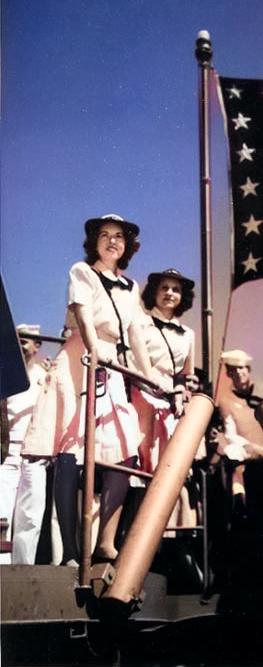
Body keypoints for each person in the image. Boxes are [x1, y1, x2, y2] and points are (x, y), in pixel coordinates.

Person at [22, 214, 154, 566]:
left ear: (127, 246)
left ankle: (105, 542)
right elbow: (82, 315)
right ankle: (69, 548)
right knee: (72, 447)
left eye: (119, 237)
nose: (112, 241)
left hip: (112, 364)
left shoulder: (130, 287)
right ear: (94, 242)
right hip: (82, 358)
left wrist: (152, 377)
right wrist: (95, 355)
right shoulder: (82, 272)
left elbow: (137, 334)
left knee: (125, 450)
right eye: (105, 235)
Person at [132, 269, 197, 475]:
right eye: (164, 288)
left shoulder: (188, 335)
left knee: (167, 462)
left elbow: (183, 375)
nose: (170, 293)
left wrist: (179, 396)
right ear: (154, 292)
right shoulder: (140, 323)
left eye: (176, 290)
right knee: (141, 456)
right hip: (141, 393)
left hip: (171, 403)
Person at [216, 350, 263, 514]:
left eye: (242, 368)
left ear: (248, 370)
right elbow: (230, 433)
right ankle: (238, 499)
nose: (239, 373)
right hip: (247, 452)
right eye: (233, 369)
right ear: (228, 373)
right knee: (232, 455)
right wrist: (252, 447)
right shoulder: (226, 401)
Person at [0, 325, 46, 562]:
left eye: (26, 341)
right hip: (6, 453)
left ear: (37, 346)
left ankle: (23, 567)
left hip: (34, 453)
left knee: (30, 515)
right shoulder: (4, 373)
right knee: (1, 512)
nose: (21, 346)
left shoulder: (45, 377)